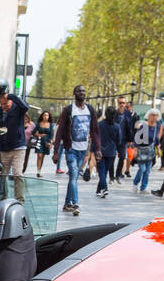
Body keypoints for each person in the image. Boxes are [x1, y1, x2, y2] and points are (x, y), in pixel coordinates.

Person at [55, 85, 101, 216]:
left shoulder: (90, 109)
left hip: (83, 150)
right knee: (74, 175)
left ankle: (66, 204)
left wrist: (98, 148)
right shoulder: (68, 110)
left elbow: (95, 131)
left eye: (83, 91)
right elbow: (60, 131)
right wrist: (56, 151)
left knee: (73, 177)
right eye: (79, 91)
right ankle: (75, 203)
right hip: (71, 149)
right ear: (74, 93)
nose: (82, 93)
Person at [96, 105, 122, 198]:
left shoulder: (100, 125)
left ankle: (102, 189)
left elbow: (96, 137)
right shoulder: (117, 127)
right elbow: (119, 140)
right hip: (111, 152)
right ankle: (101, 189)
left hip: (100, 152)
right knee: (104, 172)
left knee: (102, 172)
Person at [132, 109, 160, 192]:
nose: (154, 117)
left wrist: (158, 149)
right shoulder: (143, 126)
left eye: (156, 115)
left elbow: (156, 138)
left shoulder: (156, 127)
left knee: (147, 171)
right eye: (152, 115)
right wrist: (135, 149)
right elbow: (137, 138)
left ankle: (143, 187)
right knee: (142, 169)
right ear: (149, 116)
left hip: (150, 151)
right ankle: (135, 183)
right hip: (141, 150)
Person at [32, 110, 53, 174]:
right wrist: (38, 134)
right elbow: (33, 132)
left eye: (47, 115)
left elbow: (52, 135)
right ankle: (38, 171)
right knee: (39, 155)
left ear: (49, 117)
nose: (45, 116)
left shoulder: (51, 125)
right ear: (42, 116)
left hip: (46, 142)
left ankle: (39, 171)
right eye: (44, 115)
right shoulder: (39, 124)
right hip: (39, 141)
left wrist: (51, 143)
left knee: (43, 156)